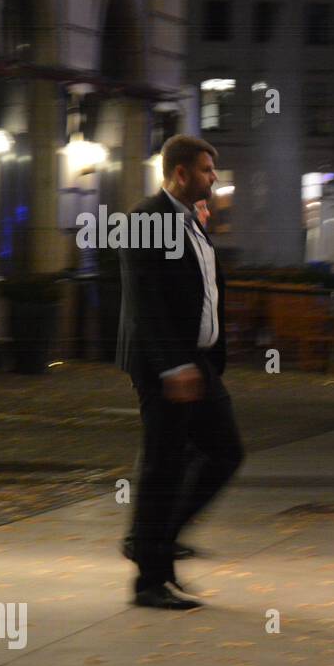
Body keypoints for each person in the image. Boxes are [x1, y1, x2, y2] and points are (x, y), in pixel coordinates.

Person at [117, 135, 244, 610]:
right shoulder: (146, 219)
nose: (215, 177)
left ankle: (156, 544)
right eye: (208, 169)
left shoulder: (191, 222)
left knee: (223, 452)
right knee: (162, 466)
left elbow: (206, 292)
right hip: (165, 366)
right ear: (181, 173)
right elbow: (144, 303)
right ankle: (149, 580)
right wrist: (173, 365)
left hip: (198, 363)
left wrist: (207, 360)